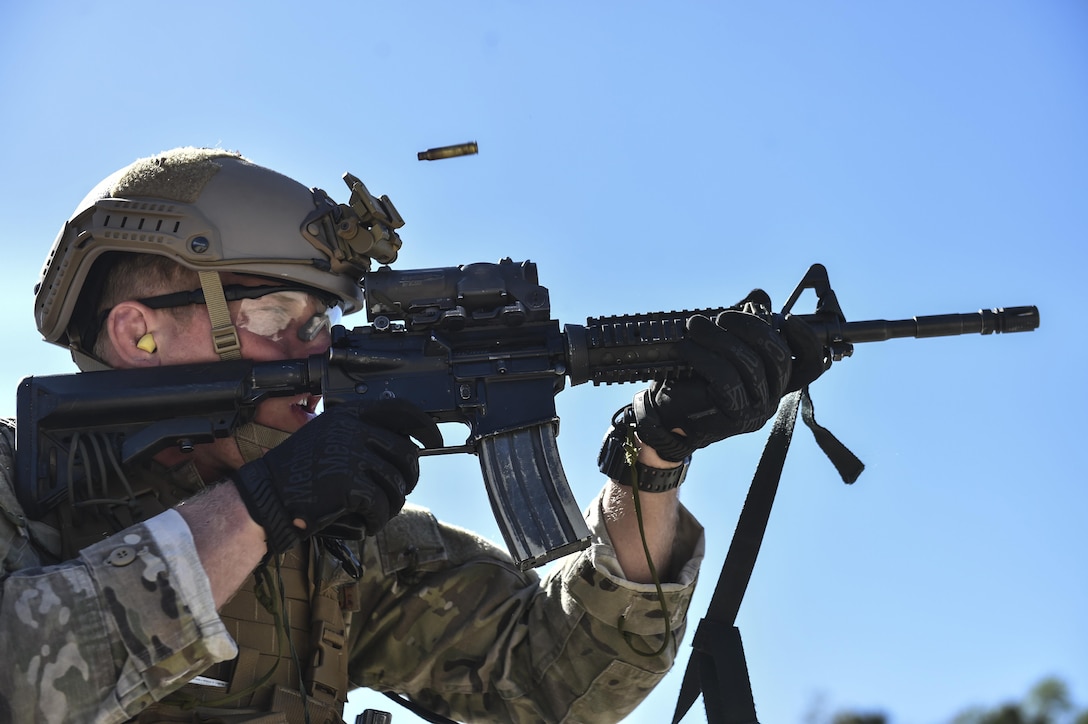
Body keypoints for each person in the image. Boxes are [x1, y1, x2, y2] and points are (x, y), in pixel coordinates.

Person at [0, 147, 824, 723]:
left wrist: (653, 458)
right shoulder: (16, 477)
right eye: (271, 316)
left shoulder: (341, 543)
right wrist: (258, 508)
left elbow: (558, 682)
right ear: (138, 332)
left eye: (319, 320)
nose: (313, 351)